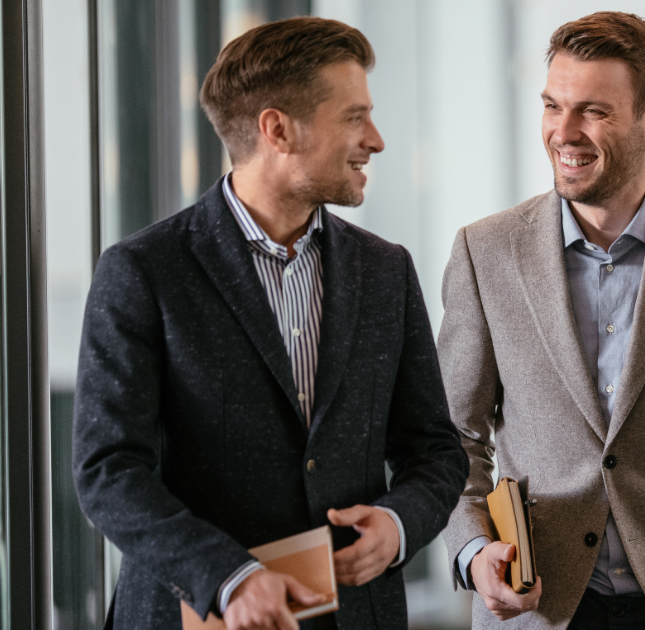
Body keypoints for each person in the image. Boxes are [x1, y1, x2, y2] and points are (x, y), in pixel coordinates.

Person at [73, 17, 467, 630]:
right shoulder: (143, 272)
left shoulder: (385, 270)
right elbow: (109, 472)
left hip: (356, 614)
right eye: (354, 117)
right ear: (277, 129)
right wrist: (228, 578)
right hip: (196, 614)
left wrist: (397, 525)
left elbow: (435, 450)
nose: (378, 139)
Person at [437, 11, 645, 630]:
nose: (563, 132)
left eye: (593, 111)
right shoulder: (483, 252)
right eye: (552, 105)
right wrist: (472, 550)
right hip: (536, 606)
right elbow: (452, 437)